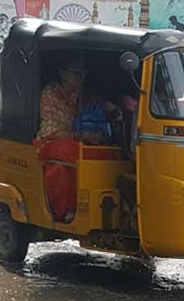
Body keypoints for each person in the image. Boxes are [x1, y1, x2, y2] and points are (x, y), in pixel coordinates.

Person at [35, 59, 120, 221]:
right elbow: (51, 129)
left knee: (109, 153)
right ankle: (69, 208)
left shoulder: (84, 94)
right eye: (76, 72)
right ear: (62, 74)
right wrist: (82, 136)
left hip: (84, 139)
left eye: (83, 73)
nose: (81, 77)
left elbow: (107, 107)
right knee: (73, 152)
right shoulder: (50, 94)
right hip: (52, 141)